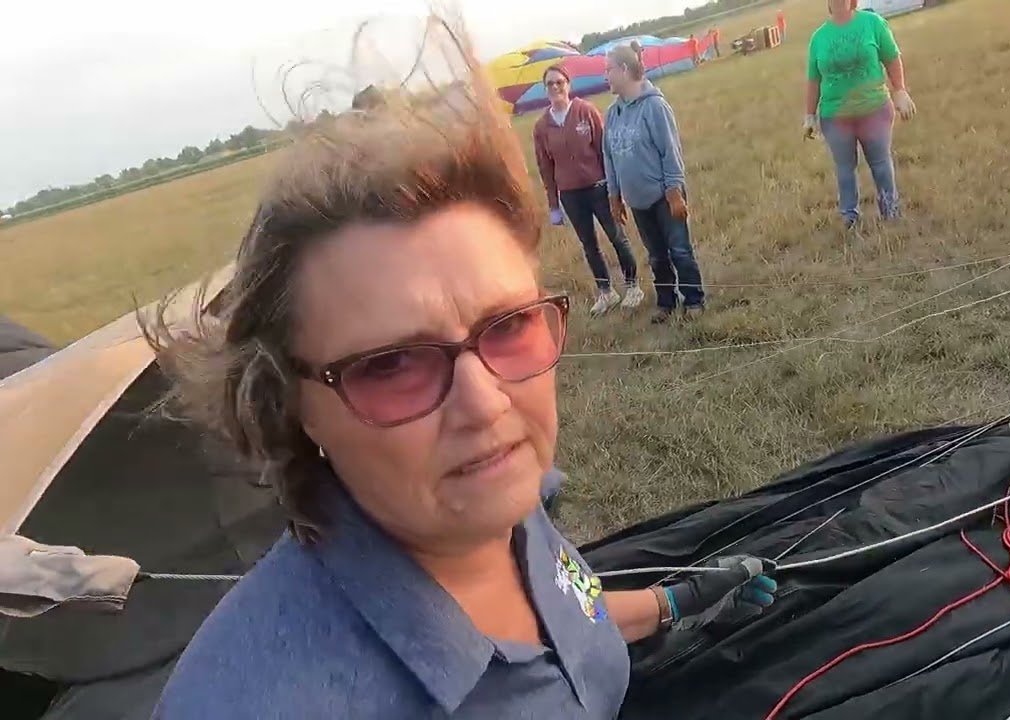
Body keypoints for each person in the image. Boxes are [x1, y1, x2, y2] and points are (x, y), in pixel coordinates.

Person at [144, 16, 775, 720]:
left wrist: (670, 603)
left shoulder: (500, 507)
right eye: (391, 365)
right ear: (288, 405)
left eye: (508, 326)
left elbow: (561, 625)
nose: (486, 404)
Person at [602, 40, 708, 324]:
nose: (605, 76)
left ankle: (694, 300)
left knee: (680, 251)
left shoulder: (655, 107)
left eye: (608, 70)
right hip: (637, 201)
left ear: (624, 70)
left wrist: (674, 193)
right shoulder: (612, 114)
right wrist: (614, 196)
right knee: (657, 256)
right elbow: (608, 158)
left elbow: (670, 151)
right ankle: (666, 302)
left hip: (664, 196)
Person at [533, 65, 643, 318]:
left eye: (559, 82)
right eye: (550, 84)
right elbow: (545, 167)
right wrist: (553, 206)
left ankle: (633, 287)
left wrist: (614, 188)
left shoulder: (586, 112)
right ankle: (606, 292)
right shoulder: (542, 127)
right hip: (570, 195)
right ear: (545, 89)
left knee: (617, 237)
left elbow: (606, 152)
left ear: (568, 85)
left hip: (598, 188)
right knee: (589, 245)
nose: (555, 88)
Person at [803, 0, 917, 230]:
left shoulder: (872, 23)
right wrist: (809, 115)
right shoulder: (819, 38)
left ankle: (890, 213)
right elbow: (813, 80)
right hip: (835, 116)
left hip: (874, 109)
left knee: (881, 163)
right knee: (844, 169)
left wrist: (900, 90)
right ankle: (850, 218)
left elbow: (892, 58)